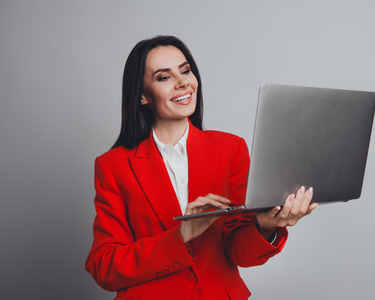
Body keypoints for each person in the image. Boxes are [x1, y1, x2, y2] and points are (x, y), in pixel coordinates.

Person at [85, 35, 317, 300]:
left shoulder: (231, 149)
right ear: (142, 96)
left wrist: (264, 226)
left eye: (185, 71)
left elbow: (239, 252)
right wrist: (180, 236)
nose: (183, 82)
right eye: (164, 77)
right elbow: (104, 266)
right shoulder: (113, 165)